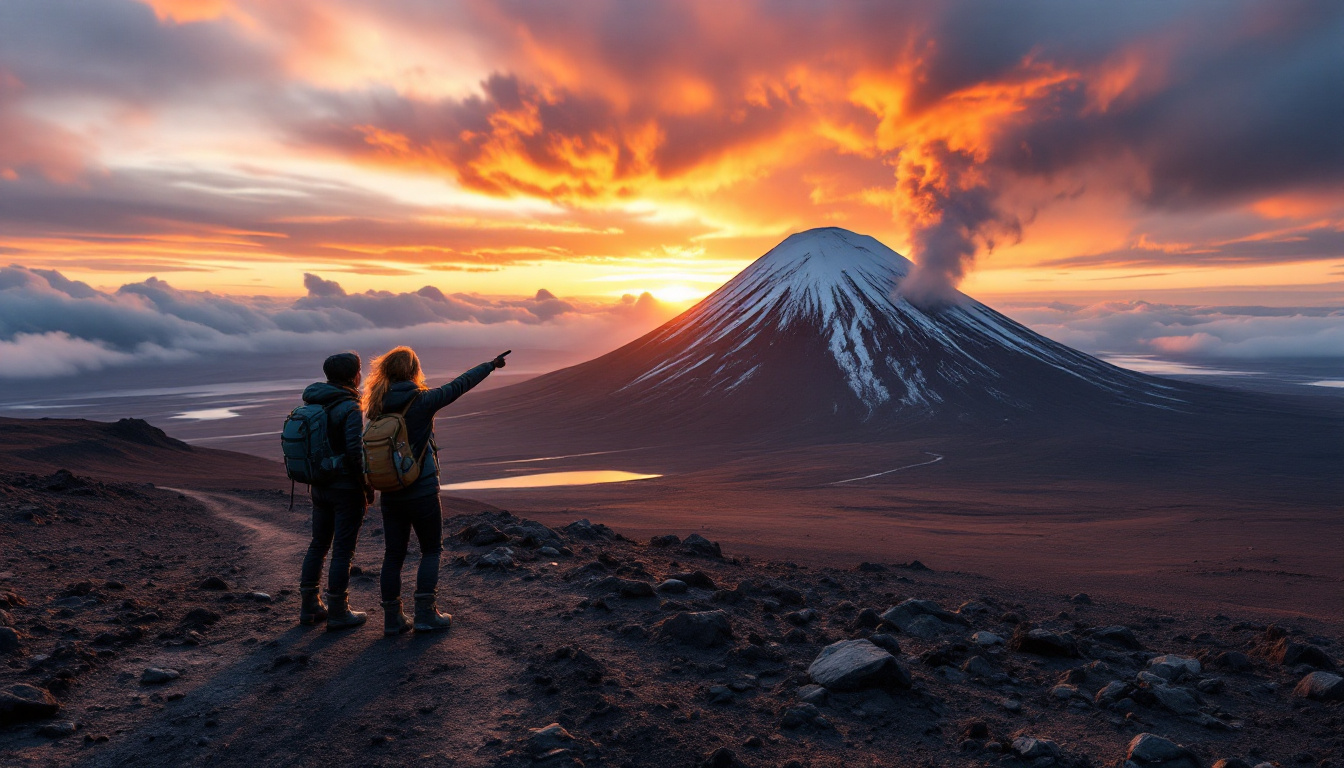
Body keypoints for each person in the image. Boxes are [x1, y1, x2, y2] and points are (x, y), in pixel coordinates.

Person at [363, 347, 507, 634]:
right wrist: (490, 365)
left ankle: (392, 619)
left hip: (389, 492)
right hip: (422, 491)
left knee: (393, 555)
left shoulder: (376, 404)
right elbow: (459, 385)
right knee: (430, 550)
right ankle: (426, 615)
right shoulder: (422, 400)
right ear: (413, 371)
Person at [297, 352, 372, 631]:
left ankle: (310, 606)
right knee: (342, 551)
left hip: (319, 486)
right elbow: (354, 452)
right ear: (354, 375)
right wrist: (366, 486)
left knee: (318, 544)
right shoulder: (350, 406)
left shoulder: (314, 401)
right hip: (345, 489)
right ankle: (339, 611)